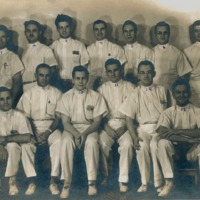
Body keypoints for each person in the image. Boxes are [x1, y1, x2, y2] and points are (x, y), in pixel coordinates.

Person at [56, 66, 108, 199]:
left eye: (83, 78)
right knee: (66, 141)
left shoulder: (96, 96)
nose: (80, 81)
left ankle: (92, 182)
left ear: (87, 79)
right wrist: (76, 134)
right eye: (77, 78)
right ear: (73, 79)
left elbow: (97, 122)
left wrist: (84, 134)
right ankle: (66, 184)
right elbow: (65, 122)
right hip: (71, 128)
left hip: (90, 128)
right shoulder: (66, 97)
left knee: (91, 142)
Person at [119, 60, 168, 193]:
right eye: (142, 73)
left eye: (149, 72)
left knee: (155, 146)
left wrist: (165, 128)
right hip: (143, 129)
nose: (146, 76)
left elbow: (170, 112)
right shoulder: (135, 93)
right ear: (138, 76)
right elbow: (128, 118)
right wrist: (134, 137)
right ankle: (145, 182)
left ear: (154, 74)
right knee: (142, 145)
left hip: (160, 128)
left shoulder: (162, 90)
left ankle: (159, 183)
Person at [17, 63, 62, 196]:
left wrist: (48, 132)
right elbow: (25, 118)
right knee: (26, 144)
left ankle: (53, 180)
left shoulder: (57, 93)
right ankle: (32, 180)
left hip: (51, 127)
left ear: (50, 76)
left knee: (59, 140)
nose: (44, 78)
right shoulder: (28, 94)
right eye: (41, 75)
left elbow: (58, 118)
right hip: (32, 127)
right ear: (35, 76)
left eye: (47, 75)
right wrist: (33, 133)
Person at [156, 79, 200, 197]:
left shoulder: (197, 111)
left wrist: (177, 131)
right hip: (175, 151)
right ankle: (169, 182)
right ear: (174, 94)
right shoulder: (167, 113)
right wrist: (188, 139)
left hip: (192, 152)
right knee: (162, 142)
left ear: (189, 93)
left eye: (185, 92)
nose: (182, 95)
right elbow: (163, 133)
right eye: (178, 92)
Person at [98, 58, 135, 192]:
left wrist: (125, 127)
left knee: (127, 144)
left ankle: (123, 180)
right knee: (102, 143)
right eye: (110, 71)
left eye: (116, 70)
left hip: (126, 124)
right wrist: (106, 128)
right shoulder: (101, 89)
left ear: (121, 70)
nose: (113, 74)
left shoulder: (130, 87)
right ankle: (105, 176)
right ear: (106, 73)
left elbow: (134, 111)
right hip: (107, 124)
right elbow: (98, 113)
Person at [0, 87, 36, 196]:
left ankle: (13, 182)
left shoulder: (19, 116)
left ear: (12, 99)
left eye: (8, 98)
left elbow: (27, 137)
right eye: (1, 99)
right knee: (11, 145)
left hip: (17, 148)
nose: (5, 102)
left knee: (13, 146)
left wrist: (5, 139)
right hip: (2, 148)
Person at [51, 14, 90, 93]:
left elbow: (84, 66)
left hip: (75, 83)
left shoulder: (79, 45)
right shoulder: (52, 47)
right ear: (57, 29)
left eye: (66, 27)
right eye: (61, 27)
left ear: (71, 28)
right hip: (57, 84)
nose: (64, 30)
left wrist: (77, 81)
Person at [87, 20, 126, 89]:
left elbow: (121, 70)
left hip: (111, 84)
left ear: (106, 30)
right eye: (96, 29)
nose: (99, 32)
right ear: (93, 31)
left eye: (102, 29)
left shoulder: (117, 48)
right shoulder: (88, 50)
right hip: (91, 84)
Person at [152, 21, 192, 90]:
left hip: (172, 91)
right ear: (155, 34)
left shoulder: (177, 52)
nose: (162, 36)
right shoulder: (150, 52)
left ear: (169, 34)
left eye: (165, 33)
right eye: (159, 33)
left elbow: (184, 76)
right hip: (154, 91)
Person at [22, 20, 57, 91]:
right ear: (25, 33)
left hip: (39, 87)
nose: (31, 33)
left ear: (39, 32)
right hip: (25, 87)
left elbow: (52, 70)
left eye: (34, 31)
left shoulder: (46, 49)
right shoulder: (24, 52)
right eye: (28, 31)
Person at [122, 20, 153, 84]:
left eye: (131, 31)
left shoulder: (146, 51)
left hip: (142, 86)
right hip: (124, 86)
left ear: (136, 32)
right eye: (126, 31)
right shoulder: (120, 50)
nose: (128, 34)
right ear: (123, 33)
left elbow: (151, 72)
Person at [0, 25, 23, 105]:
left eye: (3, 37)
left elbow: (17, 82)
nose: (0, 40)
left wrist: (12, 100)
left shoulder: (13, 56)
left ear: (7, 38)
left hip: (6, 97)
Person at [184, 20, 200, 107]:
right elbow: (184, 74)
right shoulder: (187, 51)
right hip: (194, 86)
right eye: (196, 31)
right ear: (193, 33)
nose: (199, 33)